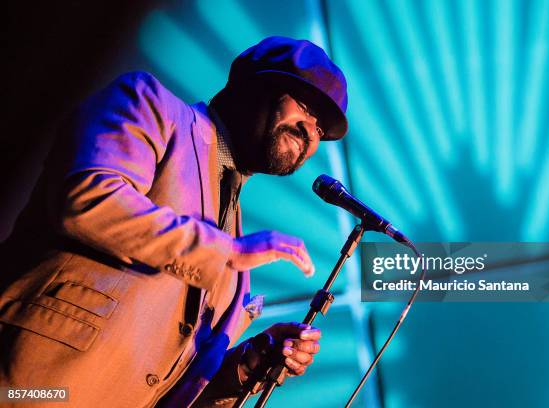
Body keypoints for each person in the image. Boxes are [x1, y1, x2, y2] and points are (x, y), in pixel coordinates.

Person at [0, 36, 348, 407]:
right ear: (252, 83)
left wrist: (246, 366)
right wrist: (226, 253)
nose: (310, 131)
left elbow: (168, 384)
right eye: (306, 107)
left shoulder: (233, 227)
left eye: (320, 130)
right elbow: (88, 198)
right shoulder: (151, 106)